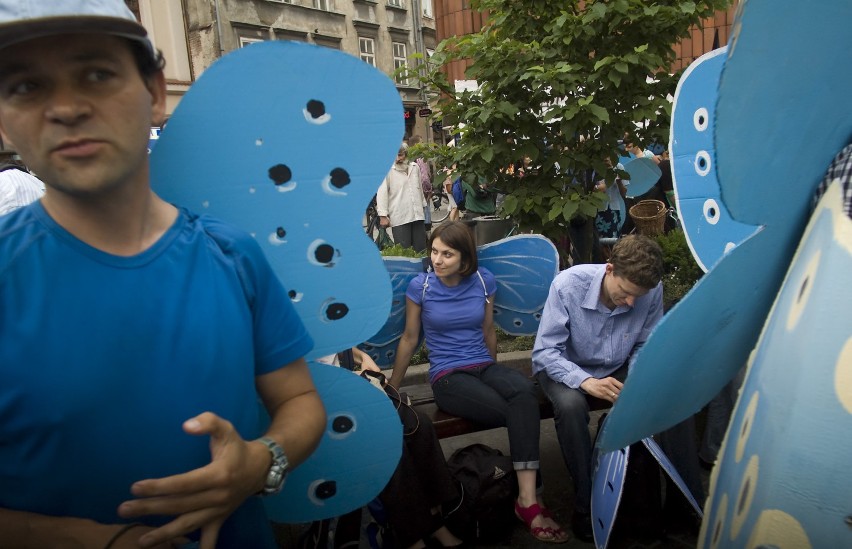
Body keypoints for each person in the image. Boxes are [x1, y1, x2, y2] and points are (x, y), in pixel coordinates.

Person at [0, 3, 326, 548]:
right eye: (26, 86)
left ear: (154, 91)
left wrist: (261, 461)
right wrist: (79, 539)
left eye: (96, 74)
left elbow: (300, 402)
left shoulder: (232, 255)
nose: (65, 107)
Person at [389, 221, 569, 544]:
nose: (437, 260)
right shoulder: (421, 287)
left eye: (447, 254)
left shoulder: (484, 281)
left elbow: (488, 331)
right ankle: (532, 500)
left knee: (523, 391)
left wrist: (495, 374)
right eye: (434, 252)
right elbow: (410, 338)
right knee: (517, 409)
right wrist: (392, 388)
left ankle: (526, 498)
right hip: (448, 376)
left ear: (466, 258)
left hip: (482, 366)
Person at [532, 234, 703, 542]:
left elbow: (645, 344)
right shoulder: (568, 285)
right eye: (625, 293)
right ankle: (586, 503)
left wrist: (636, 382)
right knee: (571, 407)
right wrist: (585, 381)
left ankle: (685, 504)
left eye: (637, 297)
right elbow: (545, 353)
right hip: (568, 367)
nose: (631, 303)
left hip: (620, 366)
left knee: (673, 399)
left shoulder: (648, 290)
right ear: (609, 269)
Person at [316, 348, 465, 549]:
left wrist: (363, 357)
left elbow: (338, 348)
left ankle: (435, 522)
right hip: (320, 407)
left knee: (419, 424)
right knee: (385, 436)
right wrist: (346, 381)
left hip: (351, 392)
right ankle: (413, 537)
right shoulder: (281, 325)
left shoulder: (319, 320)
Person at [377, 142, 428, 251]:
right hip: (400, 216)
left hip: (417, 214)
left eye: (400, 155)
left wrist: (424, 207)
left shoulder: (415, 167)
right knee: (404, 252)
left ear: (406, 154)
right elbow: (382, 193)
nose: (397, 159)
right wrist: (382, 215)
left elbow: (419, 189)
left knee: (421, 250)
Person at [408, 135, 434, 229]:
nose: (423, 145)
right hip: (422, 192)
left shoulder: (409, 159)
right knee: (426, 217)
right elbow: (425, 178)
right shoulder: (420, 159)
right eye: (421, 142)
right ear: (417, 145)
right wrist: (428, 190)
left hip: (411, 194)